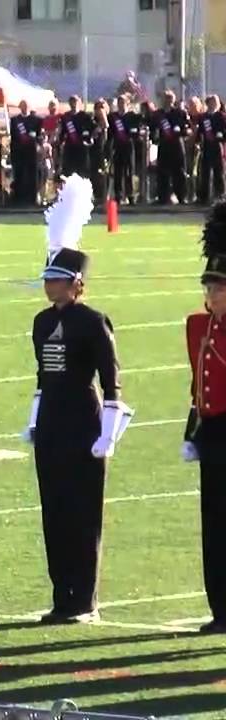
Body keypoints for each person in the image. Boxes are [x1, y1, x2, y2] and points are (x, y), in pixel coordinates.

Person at [20, 175, 131, 625]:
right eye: (48, 278)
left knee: (83, 514)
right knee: (54, 512)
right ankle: (60, 596)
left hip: (84, 423)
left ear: (77, 284)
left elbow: (111, 382)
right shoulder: (41, 323)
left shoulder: (92, 321)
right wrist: (34, 420)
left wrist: (108, 435)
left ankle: (83, 599)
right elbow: (42, 379)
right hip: (51, 423)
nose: (50, 286)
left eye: (58, 280)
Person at [184, 202, 226, 634]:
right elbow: (197, 384)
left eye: (220, 288)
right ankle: (221, 609)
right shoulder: (199, 327)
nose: (211, 294)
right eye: (209, 288)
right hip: (212, 432)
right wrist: (190, 430)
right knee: (213, 526)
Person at [150, 89, 191, 204]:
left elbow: (186, 129)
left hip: (177, 145)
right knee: (162, 172)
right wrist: (155, 137)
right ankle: (163, 197)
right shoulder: (158, 114)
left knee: (179, 171)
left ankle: (181, 196)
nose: (167, 101)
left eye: (169, 98)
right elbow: (153, 129)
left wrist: (181, 131)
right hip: (163, 145)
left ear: (173, 100)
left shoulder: (179, 113)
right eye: (165, 98)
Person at [108, 94, 143, 206]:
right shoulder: (113, 117)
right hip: (118, 147)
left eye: (123, 102)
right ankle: (118, 195)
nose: (121, 105)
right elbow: (110, 133)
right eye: (119, 103)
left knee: (129, 172)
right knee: (118, 172)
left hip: (129, 146)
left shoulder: (133, 116)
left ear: (127, 103)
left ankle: (130, 196)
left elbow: (137, 130)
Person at [9, 100, 43, 206]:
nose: (24, 108)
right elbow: (13, 136)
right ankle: (18, 198)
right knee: (18, 174)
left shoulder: (36, 120)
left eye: (26, 106)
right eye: (22, 106)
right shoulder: (15, 120)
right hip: (18, 152)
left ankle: (33, 198)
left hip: (31, 151)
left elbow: (40, 136)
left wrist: (37, 140)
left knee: (33, 175)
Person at [196, 95, 226, 205]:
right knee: (205, 172)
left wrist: (221, 135)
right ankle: (204, 197)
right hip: (207, 146)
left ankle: (220, 196)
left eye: (215, 102)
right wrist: (197, 141)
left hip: (217, 145)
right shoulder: (203, 117)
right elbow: (200, 131)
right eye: (211, 102)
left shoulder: (221, 116)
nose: (213, 104)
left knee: (219, 172)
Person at [59, 95, 94, 179]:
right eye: (71, 101)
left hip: (82, 147)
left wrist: (91, 138)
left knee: (82, 172)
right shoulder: (65, 117)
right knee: (68, 172)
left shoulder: (85, 116)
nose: (73, 103)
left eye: (75, 101)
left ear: (79, 102)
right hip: (70, 148)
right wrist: (60, 142)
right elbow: (62, 132)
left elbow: (94, 128)